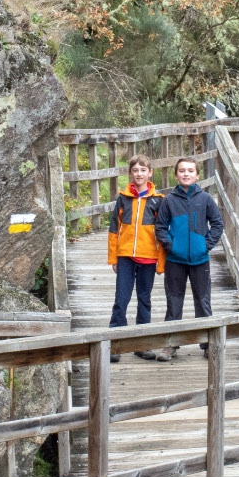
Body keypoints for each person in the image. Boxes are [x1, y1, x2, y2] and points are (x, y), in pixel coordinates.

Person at [153, 156, 224, 361]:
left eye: (190, 171)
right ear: (176, 175)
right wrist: (171, 246)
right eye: (182, 170)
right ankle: (170, 344)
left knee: (203, 301)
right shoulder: (169, 201)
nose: (186, 174)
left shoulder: (206, 199)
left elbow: (218, 224)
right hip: (175, 260)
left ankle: (207, 344)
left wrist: (205, 245)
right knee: (174, 301)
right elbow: (160, 227)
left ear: (197, 175)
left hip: (200, 260)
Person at [107, 154, 165, 362]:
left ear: (150, 173)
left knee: (144, 298)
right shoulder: (123, 198)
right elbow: (114, 228)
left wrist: (161, 260)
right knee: (121, 299)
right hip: (125, 256)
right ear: (130, 173)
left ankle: (142, 343)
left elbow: (162, 232)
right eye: (135, 170)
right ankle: (116, 343)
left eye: (143, 170)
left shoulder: (158, 201)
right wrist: (113, 257)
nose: (139, 174)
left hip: (148, 256)